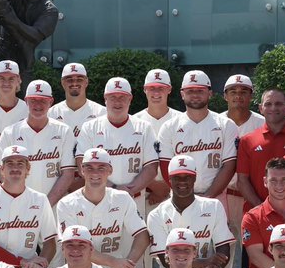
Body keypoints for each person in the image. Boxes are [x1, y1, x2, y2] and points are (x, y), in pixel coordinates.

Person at [55, 148, 151, 268]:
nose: (95, 173)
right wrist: (113, 262)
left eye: (101, 168)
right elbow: (75, 249)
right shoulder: (67, 204)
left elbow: (143, 235)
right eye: (89, 168)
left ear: (110, 171)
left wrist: (127, 264)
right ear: (82, 170)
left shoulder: (122, 199)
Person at [147, 155, 235, 268]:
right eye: (177, 177)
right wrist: (207, 261)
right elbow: (166, 260)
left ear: (194, 178)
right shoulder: (157, 214)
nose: (182, 182)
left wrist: (215, 266)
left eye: (187, 177)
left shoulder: (213, 206)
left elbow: (223, 249)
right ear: (169, 179)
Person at [157, 71, 238, 200]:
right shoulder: (169, 127)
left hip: (216, 197)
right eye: (190, 91)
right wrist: (186, 196)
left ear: (210, 93)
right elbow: (166, 167)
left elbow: (229, 165)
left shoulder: (226, 125)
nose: (195, 95)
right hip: (180, 198)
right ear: (182, 94)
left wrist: (209, 195)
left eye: (200, 91)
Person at [77, 77, 159, 200]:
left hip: (134, 197)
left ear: (130, 99)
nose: (117, 102)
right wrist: (113, 189)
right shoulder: (90, 127)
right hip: (100, 198)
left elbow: (152, 168)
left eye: (122, 97)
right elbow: (81, 164)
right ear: (105, 99)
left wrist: (128, 191)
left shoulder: (144, 127)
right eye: (112, 97)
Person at [1, 80, 76, 205]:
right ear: (26, 101)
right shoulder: (10, 132)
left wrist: (46, 205)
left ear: (51, 102)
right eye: (33, 100)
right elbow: (3, 172)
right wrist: (20, 200)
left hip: (56, 205)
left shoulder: (64, 131)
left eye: (43, 100)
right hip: (20, 204)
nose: (38, 105)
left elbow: (68, 174)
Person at [234, 89, 285, 213]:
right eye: (268, 104)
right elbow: (242, 181)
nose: (273, 108)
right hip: (257, 214)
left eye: (278, 104)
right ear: (260, 108)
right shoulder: (248, 140)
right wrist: (263, 208)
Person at [133, 69, 182, 214]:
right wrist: (153, 185)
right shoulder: (134, 121)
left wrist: (168, 186)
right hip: (142, 193)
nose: (156, 93)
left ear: (169, 90)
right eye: (152, 88)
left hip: (176, 193)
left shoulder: (182, 120)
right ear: (145, 90)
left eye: (161, 88)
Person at [221, 74, 263, 240]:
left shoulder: (262, 123)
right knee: (223, 249)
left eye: (244, 91)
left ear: (251, 95)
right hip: (224, 193)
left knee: (251, 247)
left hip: (252, 195)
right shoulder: (215, 122)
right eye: (233, 91)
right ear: (225, 96)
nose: (238, 95)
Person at [49, 63, 104, 137]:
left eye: (79, 79)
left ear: (86, 82)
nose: (74, 83)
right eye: (69, 80)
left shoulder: (101, 113)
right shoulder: (51, 114)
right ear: (62, 82)